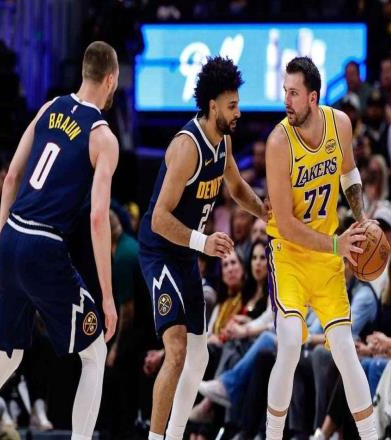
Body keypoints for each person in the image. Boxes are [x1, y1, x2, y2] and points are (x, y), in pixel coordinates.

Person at [0, 40, 120, 440]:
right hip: (44, 244)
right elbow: (98, 217)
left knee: (5, 357)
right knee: (95, 352)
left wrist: (0, 249)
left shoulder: (49, 108)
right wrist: (107, 295)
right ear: (111, 79)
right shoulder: (103, 137)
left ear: (83, 72)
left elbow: (11, 177)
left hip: (13, 232)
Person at [138, 56, 265, 440]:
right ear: (212, 106)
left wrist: (267, 214)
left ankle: (174, 434)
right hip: (160, 252)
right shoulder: (186, 147)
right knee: (177, 350)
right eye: (232, 106)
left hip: (186, 253)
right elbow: (159, 218)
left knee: (199, 355)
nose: (238, 112)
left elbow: (236, 187)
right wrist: (204, 241)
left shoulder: (223, 142)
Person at [265, 56, 377, 440]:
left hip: (328, 255)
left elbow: (349, 174)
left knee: (345, 348)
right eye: (285, 92)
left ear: (313, 97)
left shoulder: (340, 123)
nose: (286, 100)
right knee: (290, 343)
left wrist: (362, 219)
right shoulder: (278, 143)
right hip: (290, 256)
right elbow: (285, 224)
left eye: (294, 93)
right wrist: (337, 243)